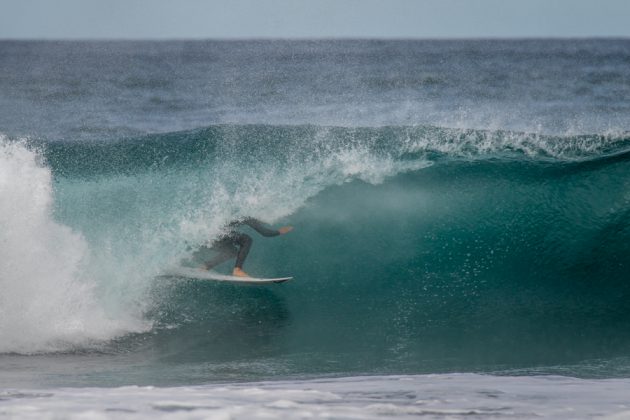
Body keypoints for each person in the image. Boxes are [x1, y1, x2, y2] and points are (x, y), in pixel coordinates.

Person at [201, 217, 293, 277]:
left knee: (231, 252)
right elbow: (265, 233)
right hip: (216, 236)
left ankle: (206, 266)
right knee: (246, 239)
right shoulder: (248, 215)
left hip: (206, 237)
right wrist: (279, 231)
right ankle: (237, 270)